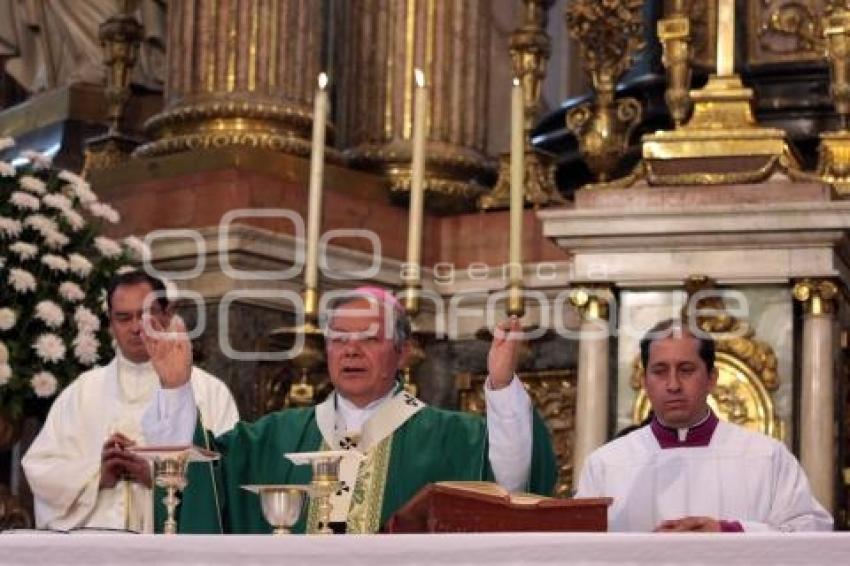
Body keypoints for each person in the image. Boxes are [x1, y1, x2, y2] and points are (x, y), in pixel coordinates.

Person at [142, 287, 556, 534]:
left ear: (403, 352)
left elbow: (513, 483)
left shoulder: (452, 438)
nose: (351, 350)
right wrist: (177, 388)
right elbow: (195, 481)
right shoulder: (274, 439)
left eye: (369, 338)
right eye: (339, 339)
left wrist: (501, 386)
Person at [22, 270, 238, 532]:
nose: (136, 327)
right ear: (110, 323)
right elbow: (40, 468)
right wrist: (97, 475)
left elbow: (228, 473)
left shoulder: (209, 391)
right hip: (90, 546)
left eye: (145, 315)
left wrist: (159, 477)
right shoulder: (81, 393)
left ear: (167, 313)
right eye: (124, 318)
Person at [575, 318, 833, 532]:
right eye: (660, 371)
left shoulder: (767, 457)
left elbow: (809, 533)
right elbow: (580, 548)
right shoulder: (605, 465)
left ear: (711, 379)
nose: (673, 385)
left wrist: (728, 531)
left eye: (686, 370)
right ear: (644, 380)